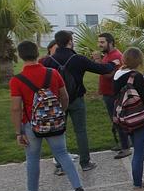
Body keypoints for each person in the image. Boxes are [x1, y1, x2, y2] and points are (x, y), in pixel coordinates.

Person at [10, 40, 85, 191]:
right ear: (38, 53)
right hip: (54, 121)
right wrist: (60, 113)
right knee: (62, 154)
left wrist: (18, 132)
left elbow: (16, 108)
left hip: (31, 124)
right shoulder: (53, 73)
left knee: (32, 157)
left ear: (20, 56)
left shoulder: (17, 80)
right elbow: (64, 96)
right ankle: (78, 188)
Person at [43, 30, 116, 175]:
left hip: (56, 101)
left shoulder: (48, 61)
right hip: (76, 99)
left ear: (56, 42)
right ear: (70, 41)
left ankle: (60, 165)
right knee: (80, 130)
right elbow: (102, 69)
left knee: (57, 132)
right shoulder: (78, 59)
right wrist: (114, 63)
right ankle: (85, 162)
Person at [113, 48, 144, 191]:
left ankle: (138, 181)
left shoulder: (118, 74)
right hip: (138, 119)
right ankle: (137, 188)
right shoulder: (136, 76)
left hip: (124, 118)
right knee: (138, 153)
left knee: (136, 152)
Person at [95, 33, 131, 159]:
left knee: (118, 120)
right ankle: (123, 143)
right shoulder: (108, 56)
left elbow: (109, 75)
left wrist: (97, 62)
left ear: (110, 42)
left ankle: (126, 147)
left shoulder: (116, 56)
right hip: (108, 93)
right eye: (99, 42)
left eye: (102, 42)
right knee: (115, 120)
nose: (99, 45)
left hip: (113, 94)